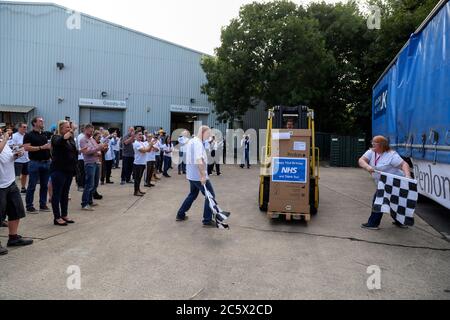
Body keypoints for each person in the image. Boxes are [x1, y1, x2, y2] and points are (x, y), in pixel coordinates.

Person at [359, 135, 412, 230]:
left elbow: (404, 164)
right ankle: (400, 222)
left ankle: (373, 223)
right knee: (393, 202)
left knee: (378, 200)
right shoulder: (371, 152)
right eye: (372, 142)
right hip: (382, 182)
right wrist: (367, 167)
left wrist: (407, 176)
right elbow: (361, 160)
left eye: (374, 143)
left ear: (381, 145)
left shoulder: (391, 155)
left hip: (395, 182)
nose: (372, 144)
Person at [0, 128, 34, 255]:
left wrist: (15, 156)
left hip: (10, 181)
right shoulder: (3, 141)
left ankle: (13, 238)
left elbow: (6, 157)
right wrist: (5, 138)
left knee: (16, 210)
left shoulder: (3, 142)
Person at [176, 125, 217, 227]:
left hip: (191, 175)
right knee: (210, 195)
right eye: (208, 134)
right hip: (198, 176)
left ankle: (180, 214)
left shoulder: (192, 141)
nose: (208, 137)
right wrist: (203, 176)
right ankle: (207, 220)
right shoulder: (198, 143)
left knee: (193, 194)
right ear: (203, 132)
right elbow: (199, 160)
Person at [50, 121, 77, 226]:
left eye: (69, 127)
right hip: (58, 170)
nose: (69, 129)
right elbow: (61, 140)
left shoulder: (70, 139)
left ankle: (64, 215)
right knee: (57, 194)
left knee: (65, 194)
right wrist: (72, 130)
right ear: (60, 129)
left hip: (68, 170)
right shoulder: (56, 137)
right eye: (66, 127)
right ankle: (57, 217)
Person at [23, 116, 52, 214]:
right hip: (35, 163)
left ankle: (42, 205)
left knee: (44, 185)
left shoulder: (44, 134)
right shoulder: (29, 135)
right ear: (34, 123)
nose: (42, 122)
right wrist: (41, 147)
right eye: (40, 121)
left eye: (42, 121)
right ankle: (29, 206)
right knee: (32, 185)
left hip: (46, 162)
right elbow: (26, 148)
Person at [79, 125, 105, 211]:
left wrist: (97, 150)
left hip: (95, 162)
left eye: (92, 131)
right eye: (90, 131)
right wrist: (98, 148)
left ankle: (90, 201)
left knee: (94, 184)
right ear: (85, 130)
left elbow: (94, 150)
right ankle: (84, 203)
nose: (91, 133)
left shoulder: (91, 139)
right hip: (89, 163)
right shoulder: (83, 140)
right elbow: (86, 152)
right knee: (89, 184)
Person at [9, 123, 30, 194]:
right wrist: (21, 145)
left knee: (25, 174)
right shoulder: (14, 136)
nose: (25, 129)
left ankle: (23, 188)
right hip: (17, 159)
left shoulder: (27, 136)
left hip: (26, 159)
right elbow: (11, 146)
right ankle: (13, 190)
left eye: (26, 127)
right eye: (24, 127)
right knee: (16, 176)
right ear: (19, 128)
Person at [132, 131, 150, 196]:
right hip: (138, 163)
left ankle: (138, 190)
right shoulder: (136, 143)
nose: (140, 136)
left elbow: (148, 150)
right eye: (139, 134)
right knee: (137, 178)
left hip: (142, 163)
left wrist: (149, 145)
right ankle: (136, 192)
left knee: (139, 178)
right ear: (135, 136)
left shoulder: (141, 143)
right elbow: (144, 151)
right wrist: (150, 145)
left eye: (141, 134)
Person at [75, 125, 85, 192]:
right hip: (81, 157)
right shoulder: (81, 136)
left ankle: (82, 185)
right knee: (81, 172)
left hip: (83, 157)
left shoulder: (83, 136)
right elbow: (80, 147)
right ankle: (80, 186)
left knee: (83, 172)